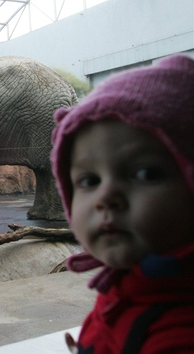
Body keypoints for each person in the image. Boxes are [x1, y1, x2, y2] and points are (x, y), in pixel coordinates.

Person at [50, 53, 194, 353]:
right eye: (89, 181)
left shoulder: (177, 332)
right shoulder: (135, 283)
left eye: (144, 173)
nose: (106, 198)